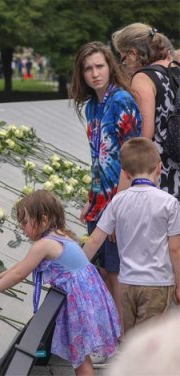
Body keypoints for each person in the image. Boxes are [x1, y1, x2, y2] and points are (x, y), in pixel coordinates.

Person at [0, 191, 121, 376]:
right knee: (81, 355)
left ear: (43, 220)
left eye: (25, 222)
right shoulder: (59, 235)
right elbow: (22, 265)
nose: (22, 228)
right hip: (89, 297)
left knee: (79, 358)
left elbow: (20, 274)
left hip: (78, 304)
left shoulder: (43, 245)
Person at [70, 41, 142, 317]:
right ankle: (112, 333)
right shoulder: (92, 106)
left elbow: (130, 159)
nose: (95, 73)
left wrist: (116, 208)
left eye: (100, 66)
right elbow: (97, 158)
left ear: (110, 66)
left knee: (115, 271)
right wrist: (92, 200)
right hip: (101, 199)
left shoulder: (121, 100)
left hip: (120, 197)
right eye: (88, 68)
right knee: (101, 269)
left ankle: (124, 339)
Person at [82, 137, 180, 335]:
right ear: (159, 168)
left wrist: (74, 268)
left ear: (125, 173)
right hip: (158, 283)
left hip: (126, 282)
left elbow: (94, 241)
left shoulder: (118, 201)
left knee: (130, 337)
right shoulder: (169, 203)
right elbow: (175, 249)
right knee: (149, 341)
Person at [112, 23, 179, 200]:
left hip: (161, 179)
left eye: (123, 57)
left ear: (133, 53)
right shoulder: (175, 69)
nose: (124, 64)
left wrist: (120, 199)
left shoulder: (143, 78)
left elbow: (143, 138)